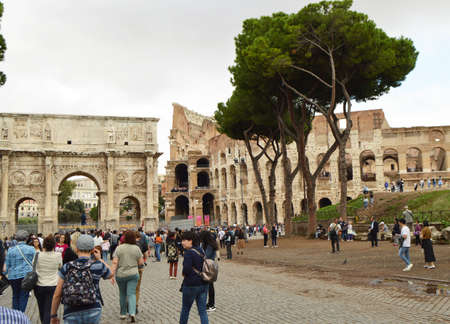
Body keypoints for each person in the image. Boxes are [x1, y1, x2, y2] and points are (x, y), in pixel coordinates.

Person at [50, 234, 113, 324]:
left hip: (71, 310)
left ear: (77, 248)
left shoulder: (67, 267)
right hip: (93, 308)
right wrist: (100, 259)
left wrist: (53, 315)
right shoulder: (98, 265)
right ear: (92, 250)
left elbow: (57, 294)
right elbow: (111, 274)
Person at [111, 230, 144, 322]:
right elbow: (141, 262)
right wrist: (140, 267)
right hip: (133, 273)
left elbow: (114, 262)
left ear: (124, 238)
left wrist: (111, 274)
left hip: (121, 274)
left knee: (122, 294)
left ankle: (122, 314)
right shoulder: (136, 248)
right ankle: (132, 312)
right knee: (132, 293)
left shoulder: (119, 248)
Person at [179, 231, 209, 324]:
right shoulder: (201, 250)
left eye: (184, 240)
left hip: (191, 285)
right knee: (202, 311)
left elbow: (186, 270)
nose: (182, 242)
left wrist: (183, 273)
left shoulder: (188, 253)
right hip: (203, 283)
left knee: (185, 309)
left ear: (190, 241)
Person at [5, 230, 36, 312]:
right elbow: (35, 263)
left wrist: (4, 274)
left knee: (15, 296)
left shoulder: (10, 250)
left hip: (13, 277)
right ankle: (21, 316)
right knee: (24, 296)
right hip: (26, 276)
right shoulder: (31, 249)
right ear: (27, 238)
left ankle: (15, 315)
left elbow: (7, 266)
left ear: (16, 238)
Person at [34, 235, 62, 324]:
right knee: (49, 309)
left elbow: (33, 267)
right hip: (53, 285)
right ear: (54, 245)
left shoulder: (38, 254)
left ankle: (43, 321)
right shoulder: (58, 255)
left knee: (41, 308)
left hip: (39, 285)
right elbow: (60, 267)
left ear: (44, 245)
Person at [200, 230, 218, 312]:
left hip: (209, 266)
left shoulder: (210, 245)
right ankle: (210, 302)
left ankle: (212, 304)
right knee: (208, 285)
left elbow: (206, 256)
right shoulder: (208, 244)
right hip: (208, 265)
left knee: (210, 286)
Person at [135, 232, 148, 313]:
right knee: (137, 288)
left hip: (127, 268)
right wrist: (144, 261)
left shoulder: (125, 244)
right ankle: (135, 305)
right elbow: (145, 254)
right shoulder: (143, 239)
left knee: (128, 288)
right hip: (138, 268)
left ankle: (127, 304)